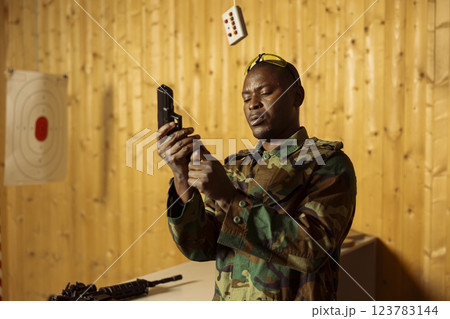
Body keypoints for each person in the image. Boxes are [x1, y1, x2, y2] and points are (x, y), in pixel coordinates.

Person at [156, 53, 357, 301]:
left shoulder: (328, 164)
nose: (253, 104)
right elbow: (200, 247)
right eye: (246, 98)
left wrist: (228, 197)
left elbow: (313, 249)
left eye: (265, 92)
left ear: (297, 97)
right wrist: (181, 177)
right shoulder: (233, 166)